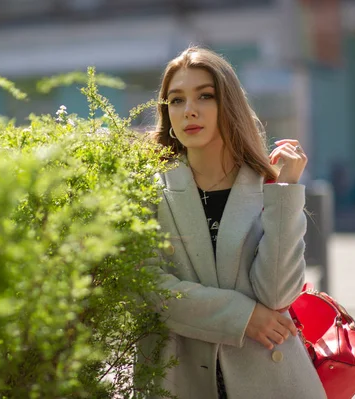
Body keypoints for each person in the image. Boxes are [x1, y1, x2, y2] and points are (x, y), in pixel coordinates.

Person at [137, 47, 326, 398]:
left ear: (229, 105)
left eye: (205, 96)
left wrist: (285, 190)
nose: (189, 110)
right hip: (178, 378)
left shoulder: (266, 185)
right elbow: (150, 288)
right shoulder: (148, 191)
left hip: (271, 378)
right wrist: (242, 316)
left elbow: (277, 295)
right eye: (176, 100)